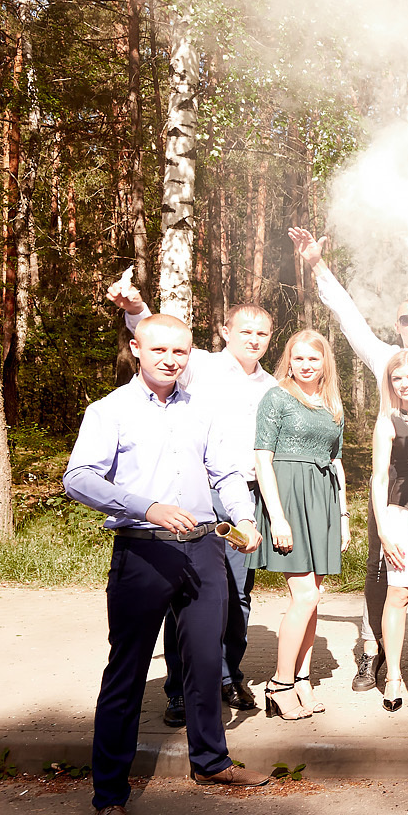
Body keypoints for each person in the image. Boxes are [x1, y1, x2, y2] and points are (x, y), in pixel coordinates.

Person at [63, 312, 271, 815]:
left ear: (190, 352)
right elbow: (78, 478)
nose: (170, 360)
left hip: (204, 548)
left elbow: (225, 471)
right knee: (126, 672)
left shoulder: (205, 408)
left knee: (206, 663)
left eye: (179, 351)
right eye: (158, 350)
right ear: (137, 348)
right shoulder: (109, 410)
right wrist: (146, 506)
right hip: (142, 551)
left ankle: (211, 760)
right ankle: (109, 796)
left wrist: (242, 517)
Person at [106, 279, 274, 722]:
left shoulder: (273, 386)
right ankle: (180, 688)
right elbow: (158, 338)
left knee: (235, 597)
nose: (253, 340)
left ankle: (224, 675)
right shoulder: (199, 365)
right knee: (181, 596)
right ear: (224, 332)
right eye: (245, 331)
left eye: (262, 333)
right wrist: (137, 307)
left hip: (241, 494)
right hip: (193, 496)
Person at [293, 228, 408, 673]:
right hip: (393, 479)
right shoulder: (385, 358)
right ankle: (372, 650)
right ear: (398, 327)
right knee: (381, 567)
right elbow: (348, 317)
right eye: (407, 319)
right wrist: (317, 265)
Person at [249, 329, 350, 720]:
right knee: (304, 596)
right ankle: (279, 684)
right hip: (288, 500)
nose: (306, 365)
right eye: (299, 358)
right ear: (288, 360)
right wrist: (277, 517)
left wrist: (342, 517)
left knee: (314, 598)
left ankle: (303, 679)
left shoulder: (332, 405)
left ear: (326, 362)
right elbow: (262, 459)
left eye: (314, 358)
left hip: (322, 502)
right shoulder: (276, 397)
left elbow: (336, 463)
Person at [367, 349, 408, 714]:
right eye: (398, 378)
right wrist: (385, 531)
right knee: (400, 594)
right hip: (402, 516)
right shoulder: (387, 421)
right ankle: (393, 675)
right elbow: (378, 477)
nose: (406, 384)